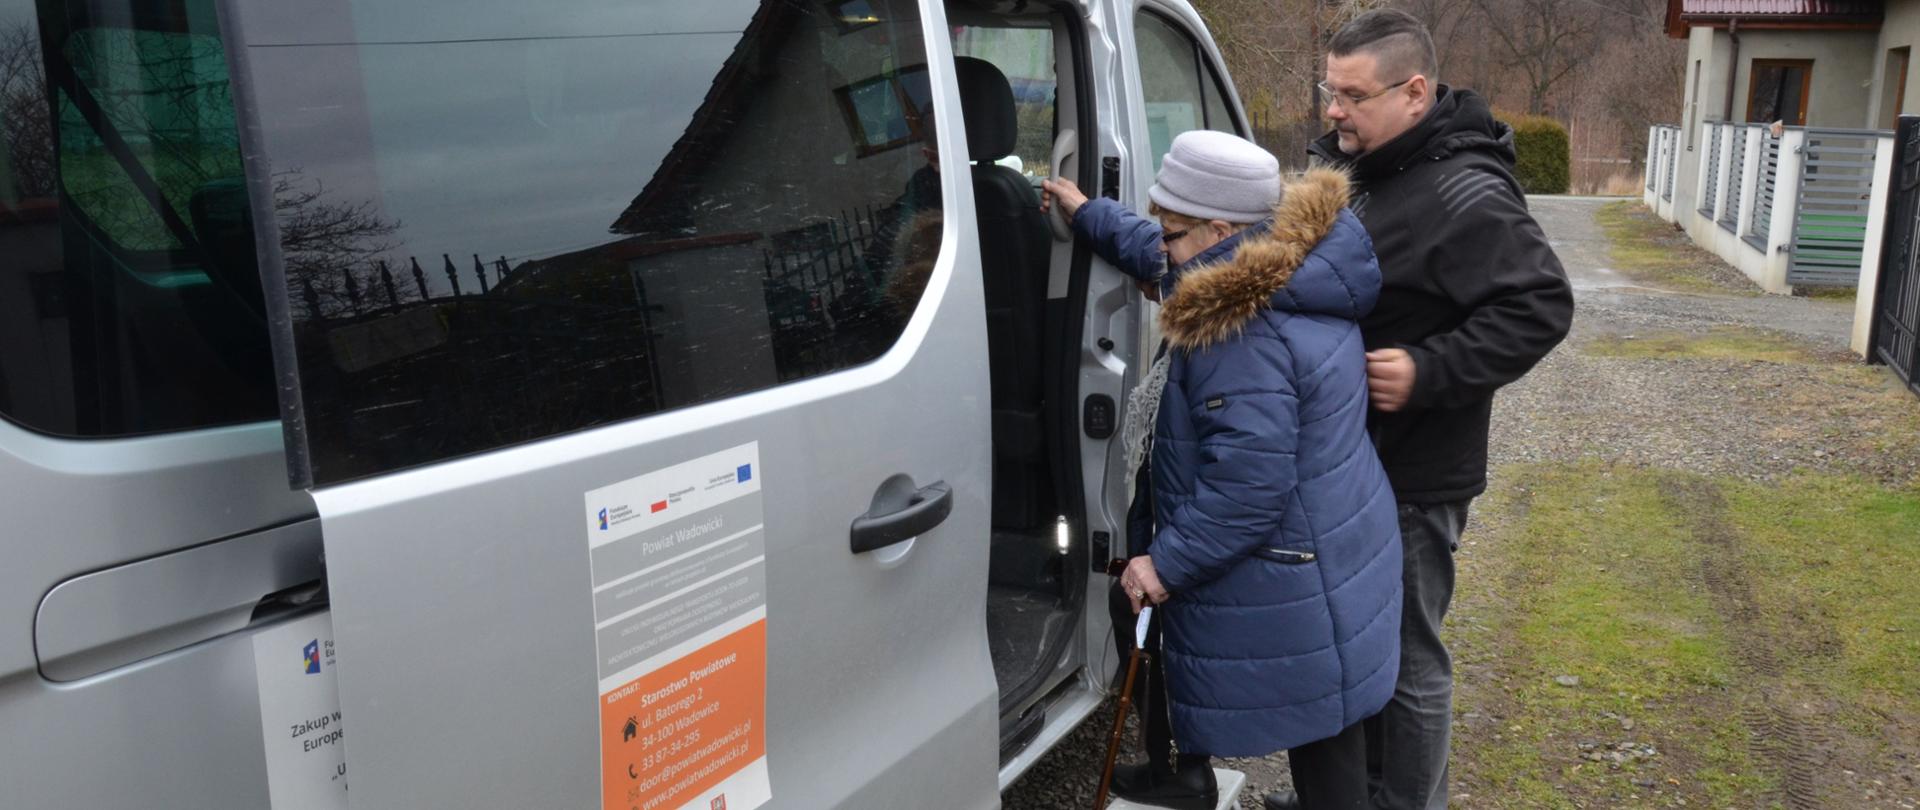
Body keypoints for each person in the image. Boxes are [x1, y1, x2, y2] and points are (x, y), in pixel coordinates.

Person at [1267, 10, 1575, 810]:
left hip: (1414, 474)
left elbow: (1540, 305)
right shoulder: (1376, 166)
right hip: (1358, 463)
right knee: (1358, 649)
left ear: (1414, 92)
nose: (1333, 111)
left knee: (1405, 659)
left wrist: (1430, 369)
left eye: (1351, 96)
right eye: (1329, 92)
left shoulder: (1463, 192)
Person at [1043, 130, 1402, 810]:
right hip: (1339, 543)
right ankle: (1181, 772)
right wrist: (1088, 211)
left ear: (1218, 229)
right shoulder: (1294, 261)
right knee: (1331, 715)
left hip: (1291, 559)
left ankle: (1183, 773)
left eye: (1173, 231)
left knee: (1318, 727)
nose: (1164, 246)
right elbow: (1159, 256)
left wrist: (1165, 564)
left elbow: (1247, 486)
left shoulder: (1239, 329)